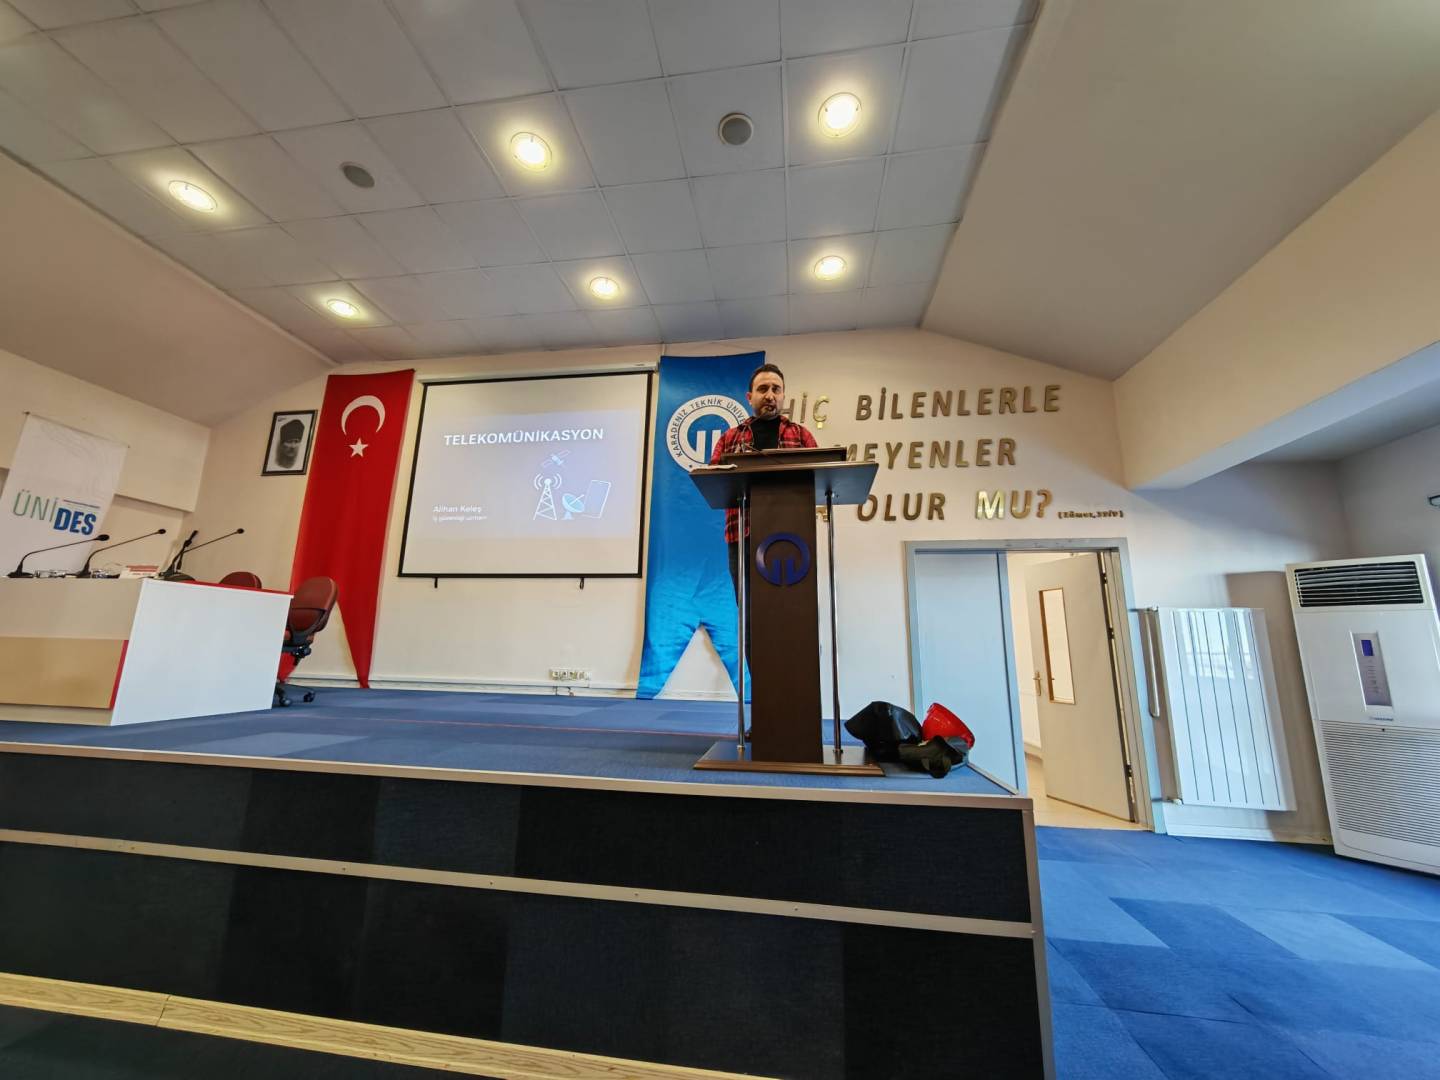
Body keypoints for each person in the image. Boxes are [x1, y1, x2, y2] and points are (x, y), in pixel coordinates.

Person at [709, 363, 819, 684]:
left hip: (792, 539)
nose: (770, 395)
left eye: (776, 389)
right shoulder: (731, 438)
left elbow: (817, 476)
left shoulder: (801, 435)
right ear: (750, 397)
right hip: (742, 539)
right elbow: (713, 481)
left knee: (792, 614)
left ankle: (794, 691)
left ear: (783, 395)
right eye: (763, 389)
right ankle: (765, 695)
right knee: (752, 617)